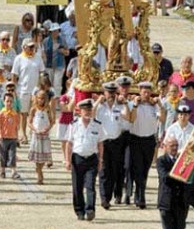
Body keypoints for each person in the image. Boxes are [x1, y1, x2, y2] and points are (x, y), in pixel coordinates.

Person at [66, 99, 104, 221]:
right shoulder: (74, 124)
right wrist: (67, 160)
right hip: (77, 158)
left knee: (90, 186)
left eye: (89, 110)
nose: (88, 112)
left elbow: (100, 144)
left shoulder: (97, 125)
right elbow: (69, 144)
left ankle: (90, 210)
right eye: (85, 110)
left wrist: (100, 160)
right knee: (77, 187)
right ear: (80, 111)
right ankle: (79, 210)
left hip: (91, 159)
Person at [129, 82, 164, 208]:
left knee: (145, 169)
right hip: (136, 140)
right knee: (138, 169)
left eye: (148, 92)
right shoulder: (134, 105)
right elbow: (131, 119)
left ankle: (138, 194)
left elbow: (163, 118)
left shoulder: (153, 107)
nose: (146, 94)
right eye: (144, 92)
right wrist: (134, 105)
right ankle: (141, 196)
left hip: (149, 141)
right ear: (139, 92)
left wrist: (159, 104)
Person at [94, 82, 128, 210]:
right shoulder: (99, 106)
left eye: (113, 92)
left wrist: (124, 103)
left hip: (116, 142)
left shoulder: (119, 106)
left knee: (114, 171)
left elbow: (128, 117)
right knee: (104, 171)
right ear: (104, 92)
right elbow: (91, 114)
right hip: (103, 142)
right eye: (109, 92)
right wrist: (98, 101)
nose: (111, 95)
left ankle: (108, 196)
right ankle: (104, 198)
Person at [157, 138, 188, 229]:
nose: (174, 148)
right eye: (171, 146)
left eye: (176, 145)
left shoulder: (183, 160)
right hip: (166, 202)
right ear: (165, 146)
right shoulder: (161, 160)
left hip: (181, 202)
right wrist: (178, 174)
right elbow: (165, 177)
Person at [11, 38, 45, 143]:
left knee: (34, 113)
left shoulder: (38, 58)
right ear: (24, 47)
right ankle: (23, 134)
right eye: (30, 46)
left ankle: (33, 134)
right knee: (23, 114)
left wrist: (41, 87)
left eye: (33, 46)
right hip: (23, 90)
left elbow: (42, 72)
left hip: (35, 91)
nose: (32, 48)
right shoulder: (18, 58)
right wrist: (13, 90)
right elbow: (14, 75)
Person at [28, 90, 54, 185]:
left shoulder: (48, 108)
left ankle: (39, 169)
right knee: (37, 155)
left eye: (43, 98)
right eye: (39, 98)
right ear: (36, 98)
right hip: (36, 135)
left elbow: (52, 121)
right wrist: (35, 130)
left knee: (44, 155)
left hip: (45, 135)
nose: (41, 100)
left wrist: (47, 129)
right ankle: (39, 174)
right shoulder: (33, 109)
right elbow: (29, 122)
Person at [0, 93, 21, 180]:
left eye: (11, 101)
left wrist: (17, 137)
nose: (9, 103)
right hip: (3, 138)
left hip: (12, 138)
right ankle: (2, 171)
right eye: (7, 101)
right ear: (4, 102)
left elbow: (17, 127)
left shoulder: (14, 114)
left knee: (12, 155)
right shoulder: (2, 113)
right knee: (3, 155)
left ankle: (13, 171)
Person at [43, 23, 68, 96]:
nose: (55, 33)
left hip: (59, 66)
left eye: (57, 31)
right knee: (49, 84)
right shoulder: (46, 41)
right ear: (50, 32)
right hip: (49, 66)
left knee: (57, 84)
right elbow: (43, 52)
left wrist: (63, 51)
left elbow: (67, 52)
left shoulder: (62, 40)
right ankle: (50, 100)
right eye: (54, 31)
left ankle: (57, 101)